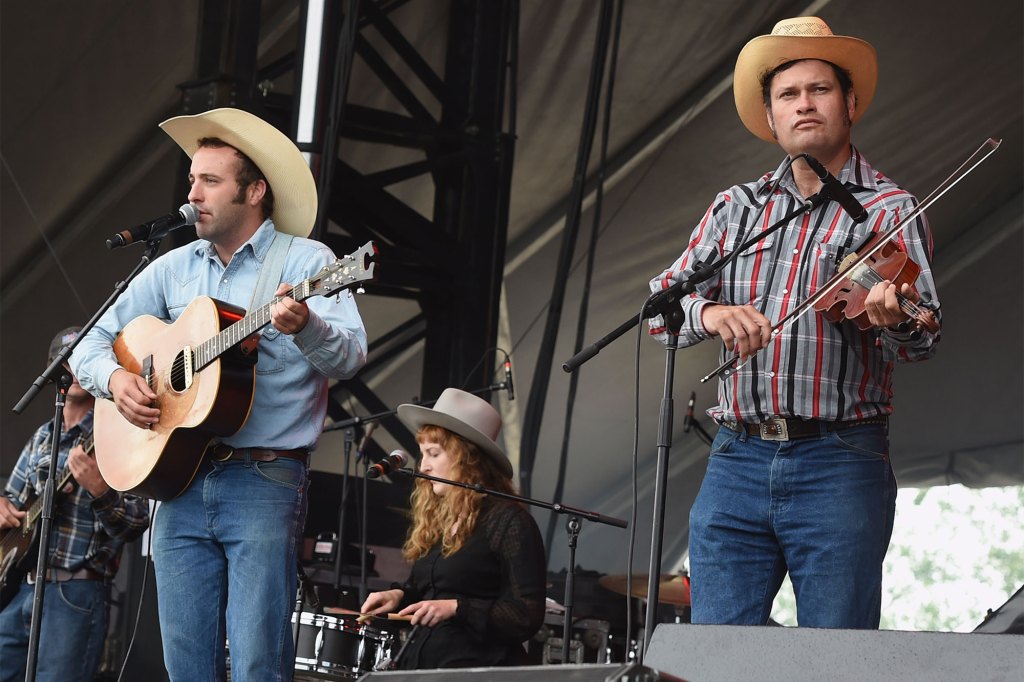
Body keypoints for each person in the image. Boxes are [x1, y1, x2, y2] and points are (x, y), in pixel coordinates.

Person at [648, 17, 941, 628]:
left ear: (850, 103)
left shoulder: (888, 209)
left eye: (820, 90)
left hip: (840, 459)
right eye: (788, 95)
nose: (804, 105)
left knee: (835, 658)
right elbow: (659, 311)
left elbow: (924, 335)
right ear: (772, 115)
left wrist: (895, 320)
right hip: (735, 458)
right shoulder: (738, 207)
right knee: (713, 656)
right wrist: (711, 311)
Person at [71, 108, 368, 681]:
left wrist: (305, 325)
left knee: (259, 659)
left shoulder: (308, 263)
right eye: (191, 181)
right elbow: (93, 340)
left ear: (254, 191)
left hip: (263, 478)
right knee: (186, 664)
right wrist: (115, 380)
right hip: (176, 483)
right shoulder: (172, 265)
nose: (193, 194)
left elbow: (351, 356)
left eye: (209, 181)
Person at [0, 327, 150, 682]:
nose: (76, 368)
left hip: (77, 591)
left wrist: (100, 491)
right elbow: (12, 500)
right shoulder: (42, 437)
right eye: (67, 361)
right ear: (54, 372)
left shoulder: (118, 430)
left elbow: (137, 522)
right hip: (22, 587)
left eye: (85, 358)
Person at [360, 388, 546, 669]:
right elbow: (429, 592)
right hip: (422, 666)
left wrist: (458, 608)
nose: (424, 466)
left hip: (474, 669)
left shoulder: (508, 521)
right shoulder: (438, 519)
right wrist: (399, 596)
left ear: (467, 458)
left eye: (433, 454)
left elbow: (525, 615)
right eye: (422, 455)